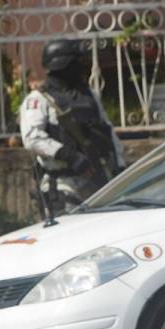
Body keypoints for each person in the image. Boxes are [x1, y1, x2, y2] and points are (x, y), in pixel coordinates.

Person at [20, 39, 125, 213]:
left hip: (99, 180)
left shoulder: (88, 94)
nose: (81, 66)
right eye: (76, 62)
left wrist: (120, 166)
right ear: (62, 66)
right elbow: (32, 137)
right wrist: (70, 156)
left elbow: (106, 128)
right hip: (63, 184)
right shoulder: (38, 99)